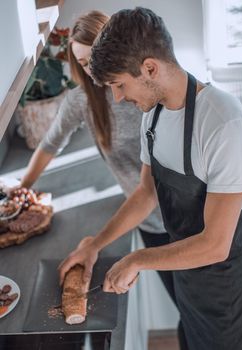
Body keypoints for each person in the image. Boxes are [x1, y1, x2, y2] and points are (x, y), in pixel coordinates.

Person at [59, 7, 242, 350]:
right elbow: (146, 192)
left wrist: (136, 259)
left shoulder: (224, 124)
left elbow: (215, 244)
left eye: (120, 84)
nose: (118, 97)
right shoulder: (152, 116)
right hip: (188, 281)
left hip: (229, 294)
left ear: (149, 68)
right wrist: (95, 244)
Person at [14, 11, 177, 306]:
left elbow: (151, 187)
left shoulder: (147, 95)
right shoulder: (82, 100)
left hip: (182, 218)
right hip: (147, 221)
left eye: (95, 60)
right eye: (85, 64)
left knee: (203, 313)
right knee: (184, 307)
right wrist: (22, 187)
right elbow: (50, 143)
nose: (94, 71)